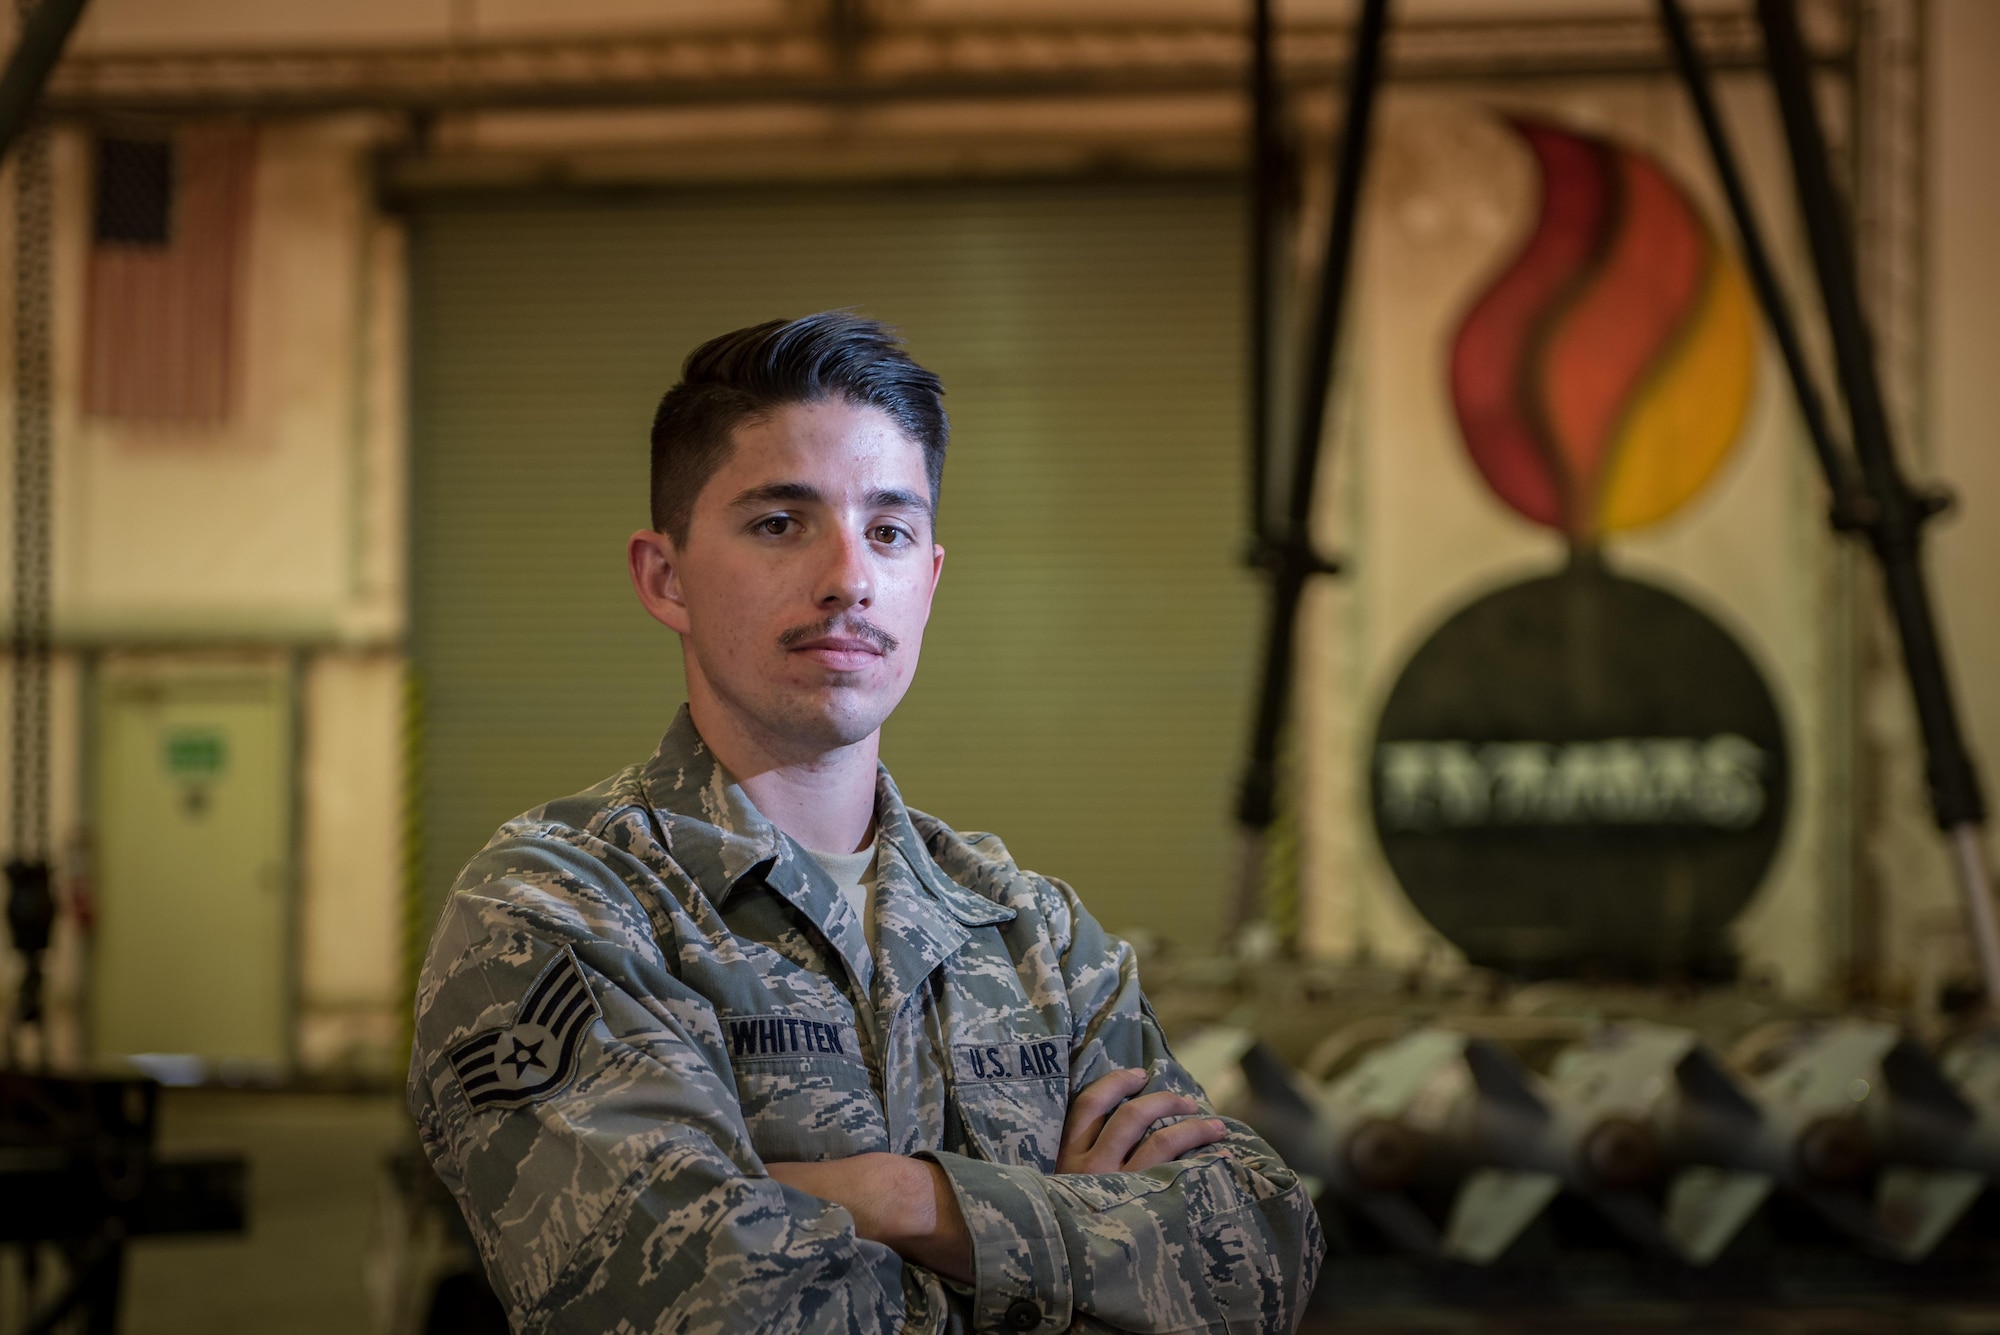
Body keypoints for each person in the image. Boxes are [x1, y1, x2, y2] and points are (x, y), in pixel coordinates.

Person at [408, 312, 1325, 1333]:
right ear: (662, 577)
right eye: (778, 524)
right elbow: (708, 1306)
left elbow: (1260, 1258)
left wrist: (897, 1199)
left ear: (927, 579)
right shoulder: (561, 909)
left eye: (888, 530)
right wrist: (1079, 1251)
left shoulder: (1031, 933)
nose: (848, 578)